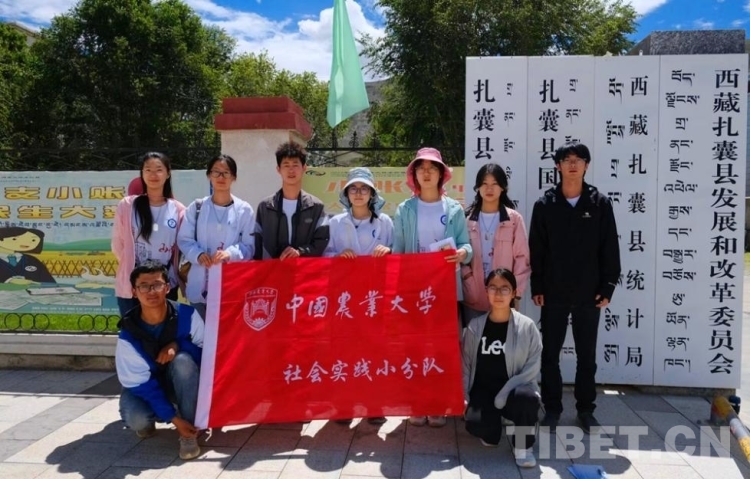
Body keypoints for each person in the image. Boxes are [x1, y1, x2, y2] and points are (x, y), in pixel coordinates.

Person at [528, 143, 621, 434]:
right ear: (557, 166)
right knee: (550, 355)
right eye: (566, 160)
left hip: (589, 292)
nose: (572, 164)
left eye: (578, 159)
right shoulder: (545, 204)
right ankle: (552, 409)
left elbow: (610, 247)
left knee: (586, 356)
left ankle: (585, 409)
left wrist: (608, 286)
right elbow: (537, 249)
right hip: (553, 290)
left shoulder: (599, 203)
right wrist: (537, 285)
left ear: (586, 165)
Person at [392, 147, 472, 428]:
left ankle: (438, 404)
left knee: (442, 347)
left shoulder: (453, 209)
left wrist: (462, 254)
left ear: (441, 174)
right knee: (414, 347)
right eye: (421, 168)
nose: (426, 173)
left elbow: (466, 245)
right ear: (414, 174)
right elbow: (398, 251)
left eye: (432, 168)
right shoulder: (405, 209)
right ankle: (417, 403)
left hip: (445, 289)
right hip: (414, 291)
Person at [324, 166, 393, 425]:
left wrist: (388, 251)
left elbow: (397, 253)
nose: (359, 193)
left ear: (372, 194)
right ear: (346, 194)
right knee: (345, 349)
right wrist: (338, 256)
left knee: (375, 349)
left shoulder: (385, 223)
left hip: (375, 297)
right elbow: (325, 255)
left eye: (364, 188)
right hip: (346, 299)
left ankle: (374, 404)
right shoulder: (335, 223)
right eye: (353, 188)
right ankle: (345, 404)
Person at [115, 260, 204, 460]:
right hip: (148, 386)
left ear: (167, 287)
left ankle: (189, 431)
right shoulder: (128, 333)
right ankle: (156, 417)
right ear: (134, 292)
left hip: (183, 383)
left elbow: (207, 357)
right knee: (136, 419)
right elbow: (142, 384)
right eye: (144, 286)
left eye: (157, 285)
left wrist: (178, 345)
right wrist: (174, 420)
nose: (151, 291)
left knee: (183, 361)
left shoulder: (188, 315)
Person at [462, 268, 541, 468]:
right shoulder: (475, 326)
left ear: (514, 293)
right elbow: (466, 364)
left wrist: (504, 394)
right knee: (479, 428)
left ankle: (523, 446)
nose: (498, 294)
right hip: (484, 391)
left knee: (527, 399)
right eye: (493, 288)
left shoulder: (527, 327)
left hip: (513, 391)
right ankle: (494, 423)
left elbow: (532, 368)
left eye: (505, 289)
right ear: (486, 291)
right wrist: (465, 396)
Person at [177, 155, 256, 320]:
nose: (221, 177)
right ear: (209, 175)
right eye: (216, 172)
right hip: (199, 283)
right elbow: (184, 239)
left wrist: (230, 254)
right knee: (199, 331)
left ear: (233, 177)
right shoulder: (197, 207)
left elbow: (250, 245)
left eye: (226, 172)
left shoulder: (244, 210)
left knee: (227, 332)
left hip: (230, 286)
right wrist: (198, 254)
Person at [112, 153, 184, 317]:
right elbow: (118, 244)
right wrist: (137, 271)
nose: (153, 175)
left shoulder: (178, 209)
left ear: (168, 173)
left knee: (164, 328)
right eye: (148, 170)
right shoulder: (128, 205)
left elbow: (180, 248)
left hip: (164, 283)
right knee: (133, 329)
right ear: (142, 174)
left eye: (159, 169)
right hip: (133, 283)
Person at [462, 163, 530, 320]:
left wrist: (516, 293)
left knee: (503, 336)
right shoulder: (467, 220)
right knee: (474, 336)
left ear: (503, 188)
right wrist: (467, 277)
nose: (489, 189)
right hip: (474, 296)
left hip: (504, 297)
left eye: (494, 184)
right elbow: (461, 255)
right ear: (478, 187)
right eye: (484, 184)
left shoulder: (513, 219)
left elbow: (522, 258)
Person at [254, 141, 329, 260]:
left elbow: (322, 241)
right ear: (278, 169)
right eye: (286, 165)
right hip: (273, 270)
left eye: (295, 165)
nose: (291, 170)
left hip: (304, 270)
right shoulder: (265, 207)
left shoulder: (316, 207)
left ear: (304, 168)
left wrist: (301, 252)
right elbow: (256, 244)